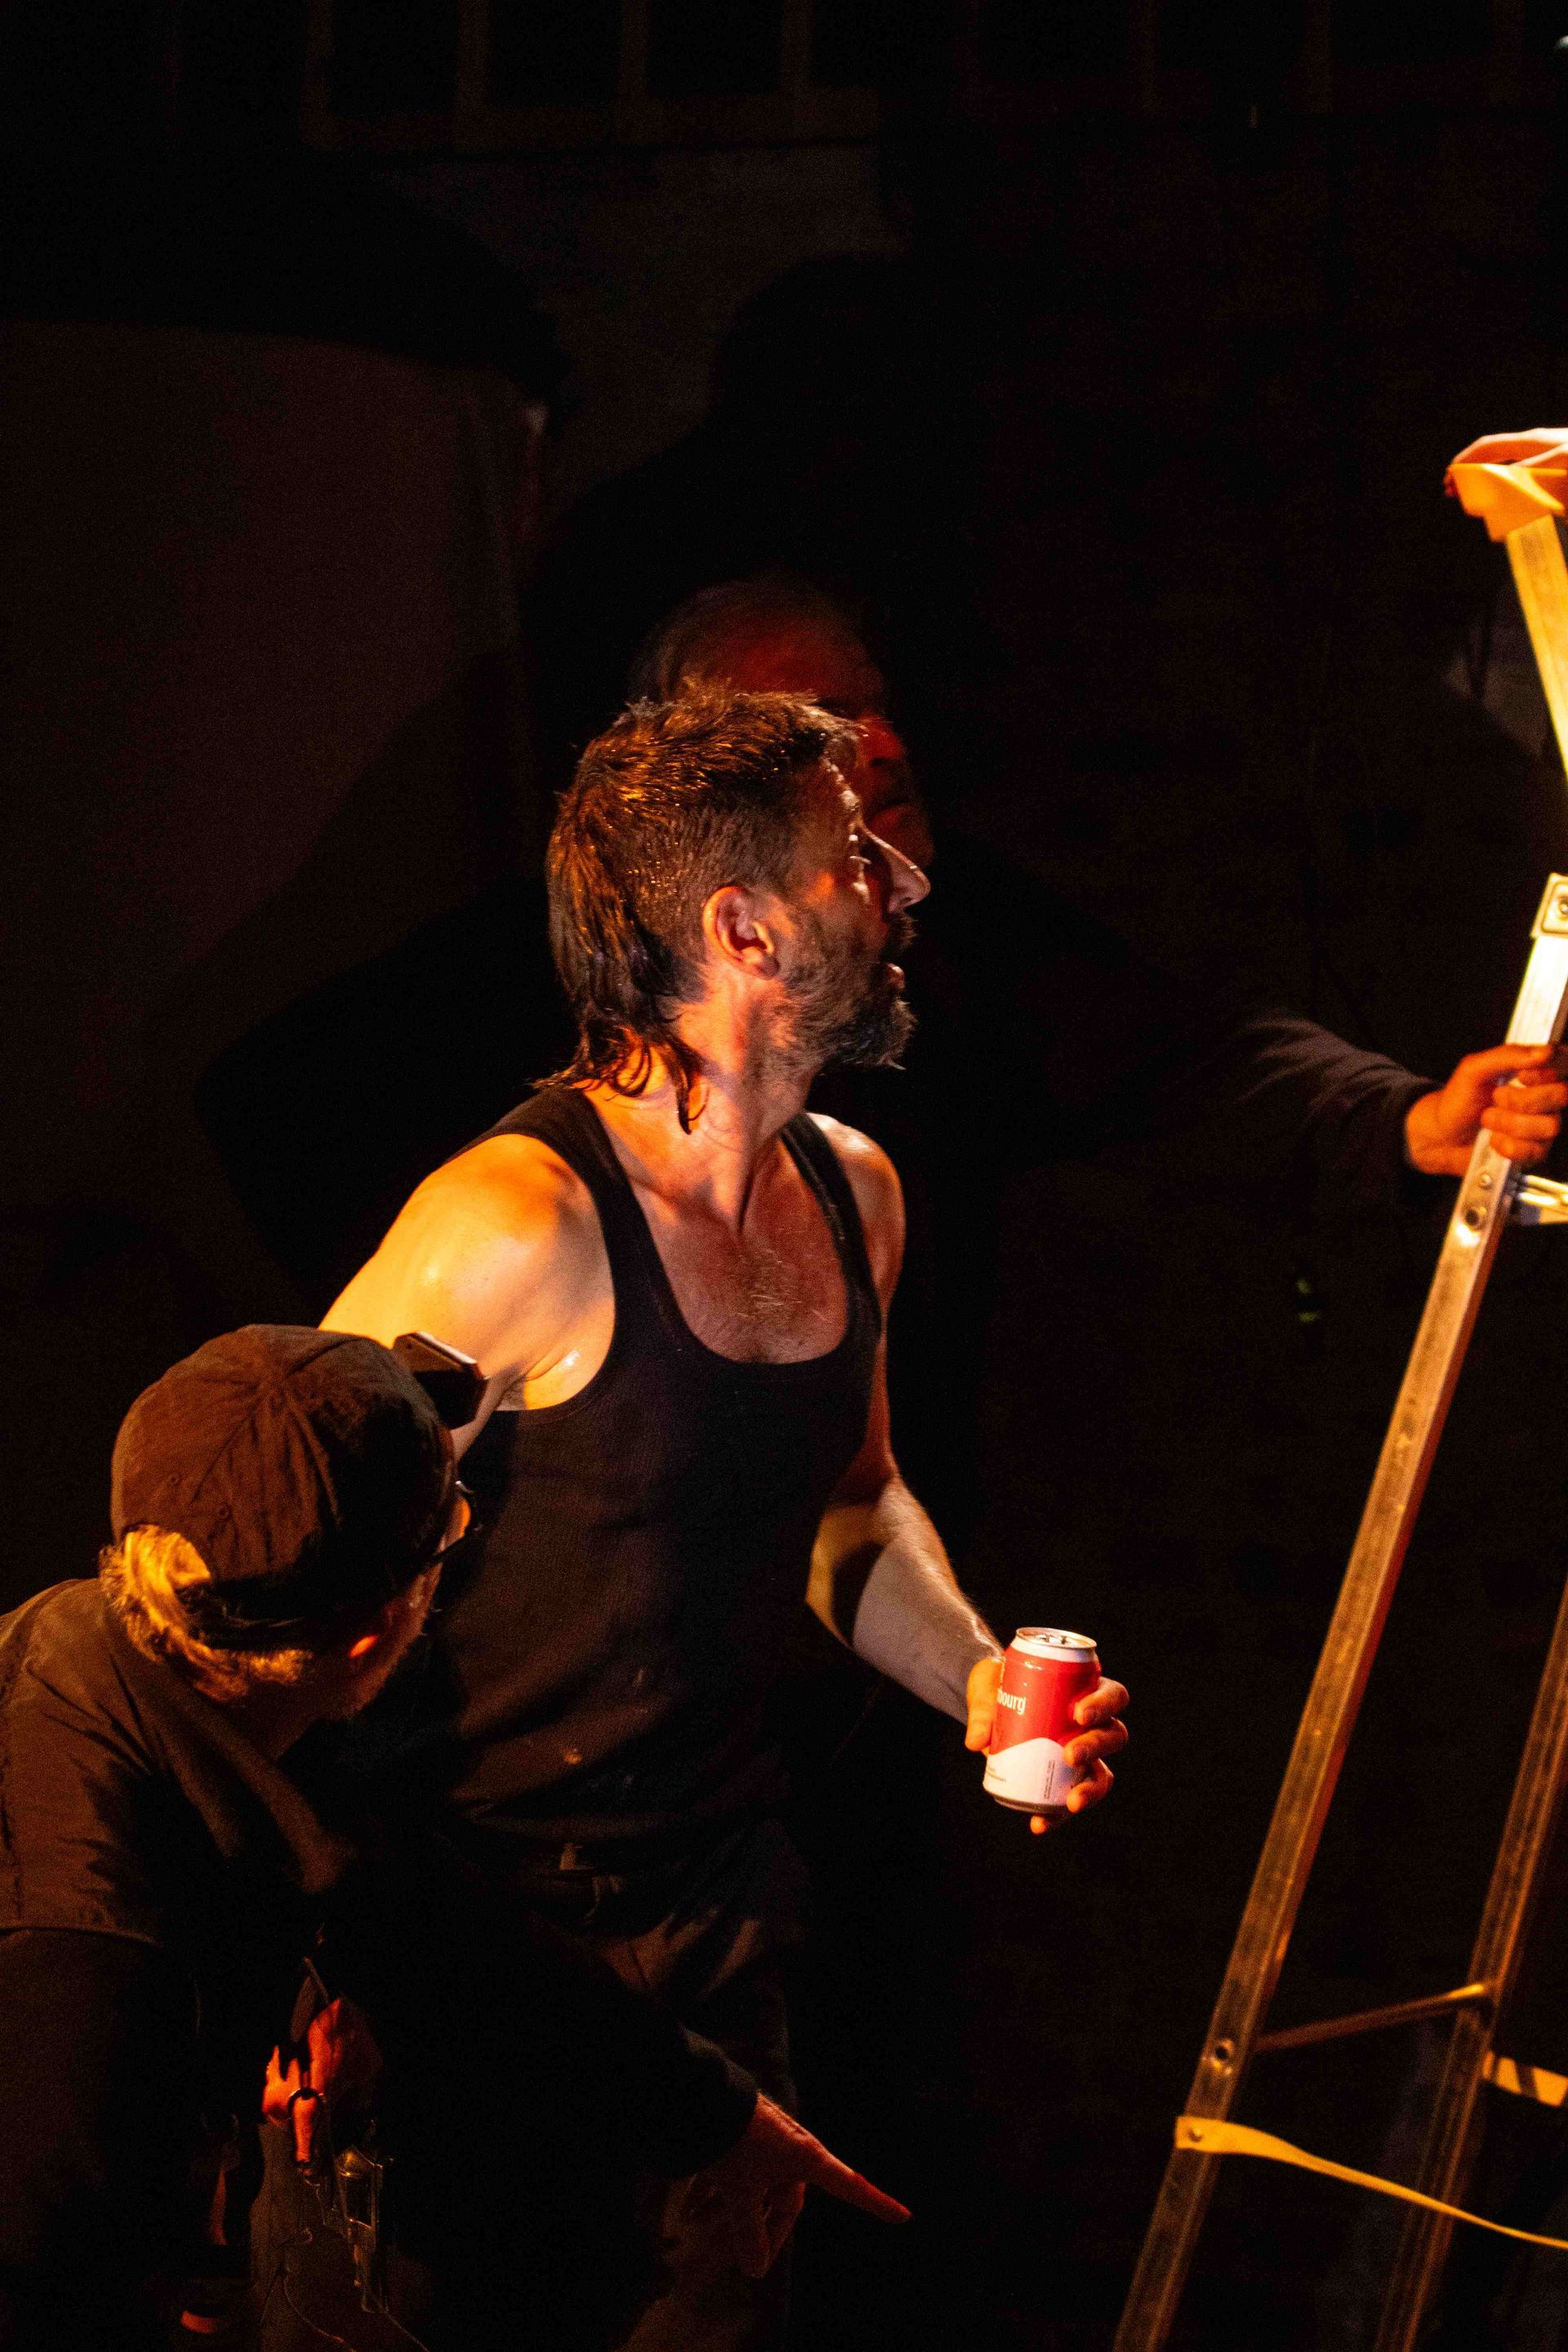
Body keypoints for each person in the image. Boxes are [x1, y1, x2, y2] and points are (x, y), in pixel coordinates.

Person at [323, 685, 1131, 2350]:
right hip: (478, 1965)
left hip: (714, 1949)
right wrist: (302, 1945)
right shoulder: (514, 1226)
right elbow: (277, 1560)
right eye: (858, 858)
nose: (903, 887)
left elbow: (852, 1505)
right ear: (744, 928)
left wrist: (979, 1681)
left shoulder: (855, 1193)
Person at [0, 1322, 905, 2351]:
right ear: (372, 1632)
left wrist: (717, 2115)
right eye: (453, 1529)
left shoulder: (127, 1657)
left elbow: (422, 1918)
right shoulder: (84, 1967)